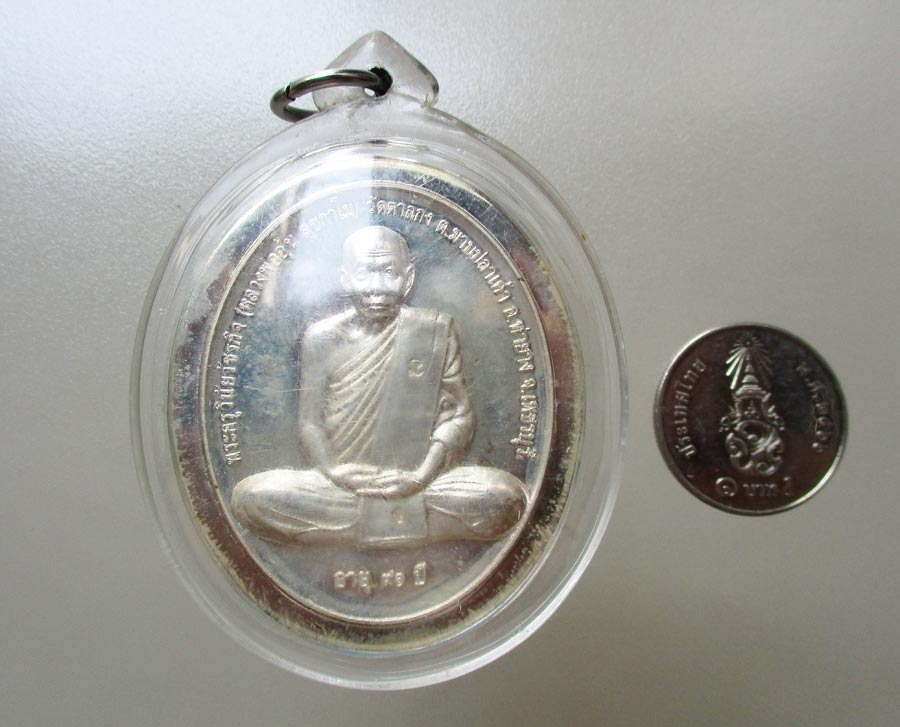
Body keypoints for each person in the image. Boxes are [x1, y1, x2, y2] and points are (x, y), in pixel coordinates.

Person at [232, 225, 527, 547]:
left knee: (504, 497)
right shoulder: (321, 338)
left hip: (420, 483)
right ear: (345, 279)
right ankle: (406, 524)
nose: (378, 288)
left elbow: (457, 417)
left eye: (390, 273)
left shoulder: (434, 332)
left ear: (409, 278)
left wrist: (420, 476)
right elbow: (310, 423)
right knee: (253, 498)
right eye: (365, 274)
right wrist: (335, 471)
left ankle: (355, 529)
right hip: (341, 488)